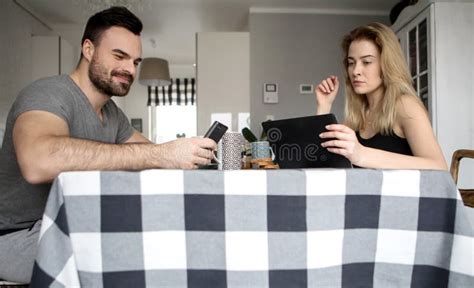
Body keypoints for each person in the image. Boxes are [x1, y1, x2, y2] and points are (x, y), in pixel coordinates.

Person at [0, 6, 216, 283]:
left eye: (136, 62)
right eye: (119, 56)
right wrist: (161, 154)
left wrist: (186, 157)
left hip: (69, 226)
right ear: (88, 50)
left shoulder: (112, 114)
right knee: (136, 252)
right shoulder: (47, 94)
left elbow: (155, 160)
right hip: (17, 237)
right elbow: (38, 162)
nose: (129, 69)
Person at [315, 22, 447, 170]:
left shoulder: (405, 106)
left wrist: (362, 154)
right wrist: (324, 107)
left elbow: (438, 166)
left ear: (387, 64)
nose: (355, 71)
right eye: (351, 63)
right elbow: (321, 162)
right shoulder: (356, 116)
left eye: (367, 62)